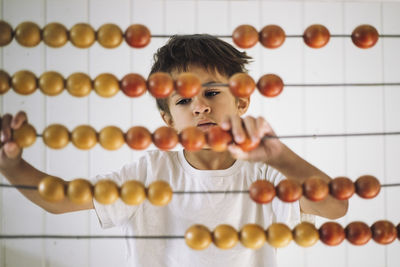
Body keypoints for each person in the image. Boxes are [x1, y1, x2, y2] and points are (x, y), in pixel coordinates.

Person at [0, 34, 348, 267]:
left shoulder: (267, 174)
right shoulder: (150, 173)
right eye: (184, 100)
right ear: (167, 117)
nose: (199, 107)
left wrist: (279, 155)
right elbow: (58, 200)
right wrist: (12, 165)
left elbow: (335, 206)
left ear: (241, 99)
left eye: (212, 93)